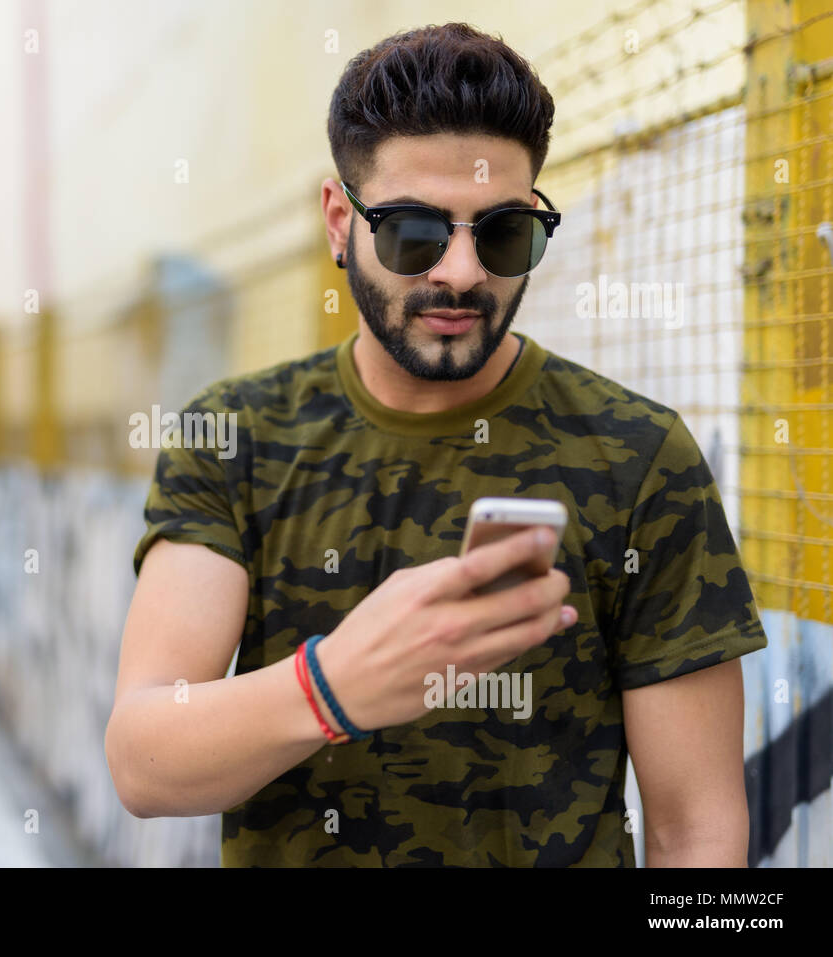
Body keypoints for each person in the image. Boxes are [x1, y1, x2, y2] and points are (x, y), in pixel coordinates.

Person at [104, 22, 768, 867]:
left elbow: (696, 829)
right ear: (341, 221)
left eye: (501, 234)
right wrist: (337, 684)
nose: (459, 271)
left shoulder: (639, 456)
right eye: (414, 232)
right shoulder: (234, 440)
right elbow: (142, 759)